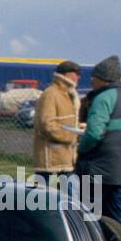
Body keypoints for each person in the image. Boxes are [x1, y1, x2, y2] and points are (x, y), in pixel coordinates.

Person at [75, 55, 121, 241]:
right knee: (120, 210)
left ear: (104, 78)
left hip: (98, 166)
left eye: (94, 76)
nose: (91, 80)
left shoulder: (103, 98)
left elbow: (94, 133)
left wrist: (81, 149)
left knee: (89, 211)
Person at [32, 60, 83, 197]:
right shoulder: (51, 94)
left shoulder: (69, 95)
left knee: (72, 198)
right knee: (44, 198)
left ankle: (71, 217)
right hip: (50, 158)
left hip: (66, 158)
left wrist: (79, 128)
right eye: (76, 74)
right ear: (66, 75)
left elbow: (65, 122)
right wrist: (72, 135)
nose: (79, 77)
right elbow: (46, 125)